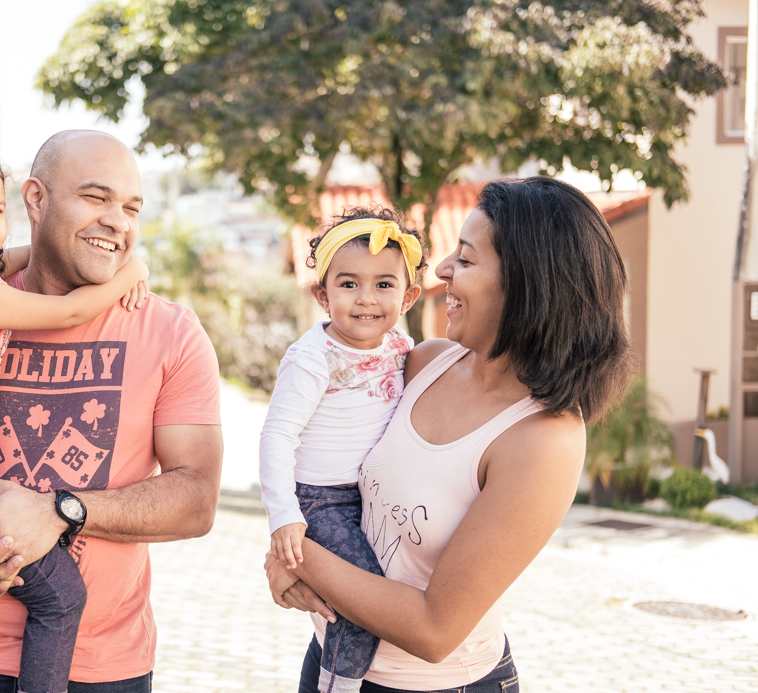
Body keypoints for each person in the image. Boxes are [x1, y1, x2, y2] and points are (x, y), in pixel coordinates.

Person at [0, 130, 223, 693]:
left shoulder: (171, 332)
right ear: (35, 199)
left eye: (132, 208)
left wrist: (61, 511)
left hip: (103, 670)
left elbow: (197, 500)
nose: (117, 221)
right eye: (96, 197)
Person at [265, 177, 633, 692]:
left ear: (526, 285)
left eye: (464, 258)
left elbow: (434, 629)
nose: (440, 270)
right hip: (331, 656)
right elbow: (314, 447)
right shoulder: (425, 361)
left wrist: (292, 557)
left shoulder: (543, 438)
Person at [258, 208, 423, 693]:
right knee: (366, 603)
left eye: (384, 285)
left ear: (408, 296)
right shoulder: (312, 359)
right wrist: (284, 516)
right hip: (322, 500)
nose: (366, 298)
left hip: (370, 497)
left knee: (365, 596)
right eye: (349, 284)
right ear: (322, 295)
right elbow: (277, 436)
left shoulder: (401, 347)